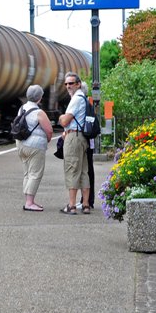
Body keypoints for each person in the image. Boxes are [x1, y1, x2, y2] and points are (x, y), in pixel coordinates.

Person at [16, 84, 54, 212]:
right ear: (40, 98)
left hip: (21, 144)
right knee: (35, 174)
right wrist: (47, 140)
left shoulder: (22, 108)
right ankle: (29, 203)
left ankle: (28, 200)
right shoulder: (39, 112)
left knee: (27, 173)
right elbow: (49, 130)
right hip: (35, 147)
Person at [57, 72, 91, 215]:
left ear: (78, 84)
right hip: (82, 137)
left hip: (73, 137)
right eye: (66, 84)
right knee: (83, 171)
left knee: (72, 169)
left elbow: (65, 121)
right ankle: (85, 205)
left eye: (71, 83)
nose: (68, 86)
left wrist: (60, 117)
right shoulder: (83, 97)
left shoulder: (76, 99)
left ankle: (71, 206)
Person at [77, 81, 96, 210]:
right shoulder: (88, 103)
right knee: (88, 169)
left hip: (84, 138)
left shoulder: (82, 103)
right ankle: (88, 199)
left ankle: (87, 200)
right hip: (90, 139)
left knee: (85, 170)